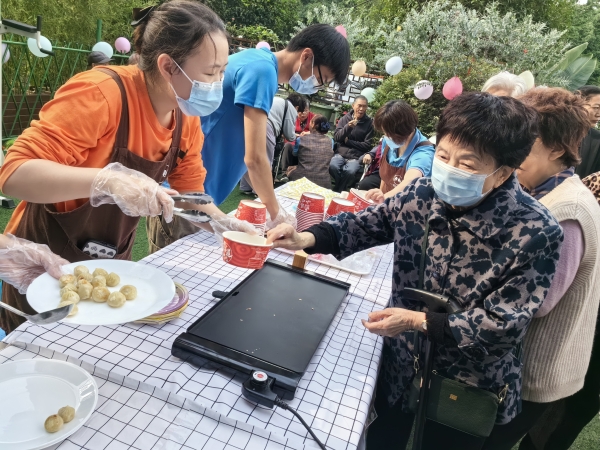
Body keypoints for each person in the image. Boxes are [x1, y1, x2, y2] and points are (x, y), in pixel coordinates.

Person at [266, 93, 563, 450]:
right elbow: (364, 225)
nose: (450, 169)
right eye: (443, 155)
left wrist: (416, 321)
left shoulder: (535, 230)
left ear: (502, 172)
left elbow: (503, 325)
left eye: (467, 164)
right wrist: (305, 237)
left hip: (464, 382)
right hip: (402, 363)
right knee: (383, 438)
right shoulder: (422, 194)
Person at [0, 0, 254, 333]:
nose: (219, 83)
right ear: (168, 66)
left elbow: (192, 196)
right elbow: (14, 174)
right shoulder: (101, 94)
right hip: (46, 264)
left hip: (112, 266)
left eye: (223, 72)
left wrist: (225, 223)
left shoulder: (185, 120)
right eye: (211, 73)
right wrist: (105, 182)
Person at [483, 88, 600, 449]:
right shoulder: (542, 192)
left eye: (525, 143)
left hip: (532, 371)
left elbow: (539, 301)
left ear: (556, 149)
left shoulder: (566, 212)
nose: (513, 153)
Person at [201, 24, 350, 222]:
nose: (316, 87)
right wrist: (276, 212)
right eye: (322, 79)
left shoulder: (257, 60)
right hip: (192, 189)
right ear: (306, 56)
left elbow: (245, 156)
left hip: (197, 189)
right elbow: (255, 158)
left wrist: (268, 199)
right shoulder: (263, 72)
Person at [520, 171, 600, 450]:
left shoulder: (576, 202)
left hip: (564, 336)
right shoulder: (590, 186)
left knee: (570, 412)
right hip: (580, 311)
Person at [364, 100, 435, 204]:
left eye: (389, 134)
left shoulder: (423, 153)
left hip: (407, 207)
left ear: (402, 132)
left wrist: (383, 198)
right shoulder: (388, 141)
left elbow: (409, 182)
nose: (386, 137)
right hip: (386, 204)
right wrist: (380, 195)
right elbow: (385, 177)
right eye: (385, 133)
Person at [239, 93, 306, 193]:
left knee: (251, 156)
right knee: (266, 161)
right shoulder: (291, 108)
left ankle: (246, 187)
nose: (298, 114)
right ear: (296, 107)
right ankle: (260, 191)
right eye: (299, 112)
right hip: (267, 127)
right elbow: (289, 135)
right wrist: (297, 135)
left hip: (251, 122)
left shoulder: (277, 100)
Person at [329, 95, 374, 192]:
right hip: (340, 153)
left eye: (364, 106)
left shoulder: (369, 123)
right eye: (359, 106)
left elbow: (366, 145)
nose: (361, 109)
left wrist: (348, 142)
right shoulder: (345, 119)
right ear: (353, 106)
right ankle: (341, 187)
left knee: (350, 171)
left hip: (355, 156)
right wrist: (348, 128)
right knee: (333, 166)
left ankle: (338, 190)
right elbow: (337, 137)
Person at [284, 114, 334, 189]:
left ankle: (283, 174)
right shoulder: (331, 141)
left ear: (313, 124)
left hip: (301, 179)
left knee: (288, 147)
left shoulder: (301, 139)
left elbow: (295, 154)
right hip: (324, 183)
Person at [574, 85, 600, 178]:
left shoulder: (597, 140)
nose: (598, 114)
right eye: (596, 107)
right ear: (579, 104)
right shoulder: (555, 131)